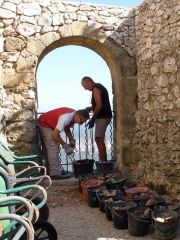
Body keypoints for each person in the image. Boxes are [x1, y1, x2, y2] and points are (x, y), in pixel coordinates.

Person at [38, 107, 89, 179]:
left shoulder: (73, 115)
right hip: (45, 124)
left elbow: (66, 128)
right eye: (81, 121)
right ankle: (55, 174)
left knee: (48, 149)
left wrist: (71, 139)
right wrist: (65, 146)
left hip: (46, 122)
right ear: (77, 116)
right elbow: (55, 134)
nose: (80, 124)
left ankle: (49, 171)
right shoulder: (67, 118)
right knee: (53, 147)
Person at [81, 76, 112, 162]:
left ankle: (103, 163)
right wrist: (91, 108)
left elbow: (99, 105)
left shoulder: (96, 89)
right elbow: (100, 103)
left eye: (85, 86)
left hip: (102, 117)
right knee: (99, 139)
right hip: (105, 116)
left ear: (90, 81)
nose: (85, 88)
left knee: (99, 139)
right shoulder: (99, 87)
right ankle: (104, 162)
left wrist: (92, 120)